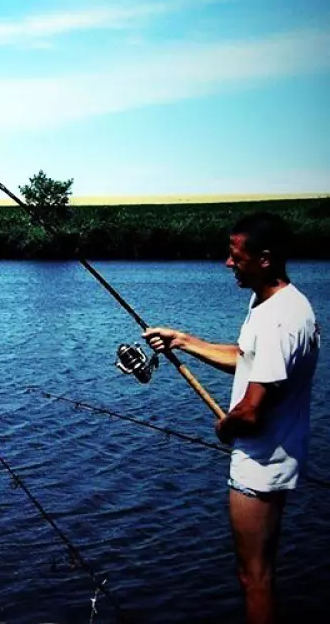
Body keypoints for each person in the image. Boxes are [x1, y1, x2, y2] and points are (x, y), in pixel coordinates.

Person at [142, 211, 320, 624]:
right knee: (261, 573)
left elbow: (252, 411)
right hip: (277, 456)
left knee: (253, 576)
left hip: (260, 466)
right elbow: (247, 359)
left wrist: (226, 426)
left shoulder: (278, 320)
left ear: (265, 259)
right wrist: (184, 341)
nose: (228, 263)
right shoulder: (278, 302)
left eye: (236, 256)